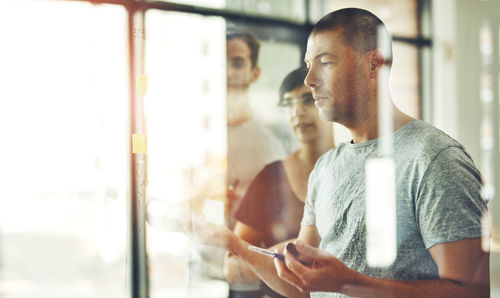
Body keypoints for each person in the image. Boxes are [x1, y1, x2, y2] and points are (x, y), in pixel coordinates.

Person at [187, 8, 489, 298]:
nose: (310, 79)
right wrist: (235, 245)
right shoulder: (327, 167)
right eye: (309, 65)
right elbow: (301, 284)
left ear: (374, 64)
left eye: (326, 62)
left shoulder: (436, 160)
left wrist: (347, 283)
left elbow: (471, 293)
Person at [224, 68, 334, 298]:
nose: (297, 113)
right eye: (288, 104)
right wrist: (283, 253)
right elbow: (232, 267)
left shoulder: (358, 169)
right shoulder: (270, 177)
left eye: (307, 100)